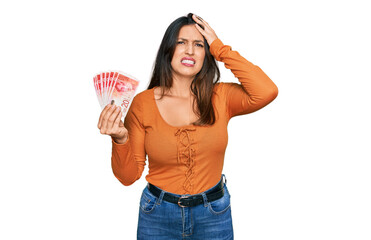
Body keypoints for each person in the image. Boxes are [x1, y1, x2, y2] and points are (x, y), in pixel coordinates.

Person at [97, 13, 278, 240]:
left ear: (207, 53)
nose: (190, 51)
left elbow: (267, 91)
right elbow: (127, 177)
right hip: (157, 215)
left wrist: (220, 47)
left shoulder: (220, 96)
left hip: (214, 214)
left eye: (199, 44)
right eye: (181, 42)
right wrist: (120, 139)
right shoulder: (143, 103)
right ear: (168, 50)